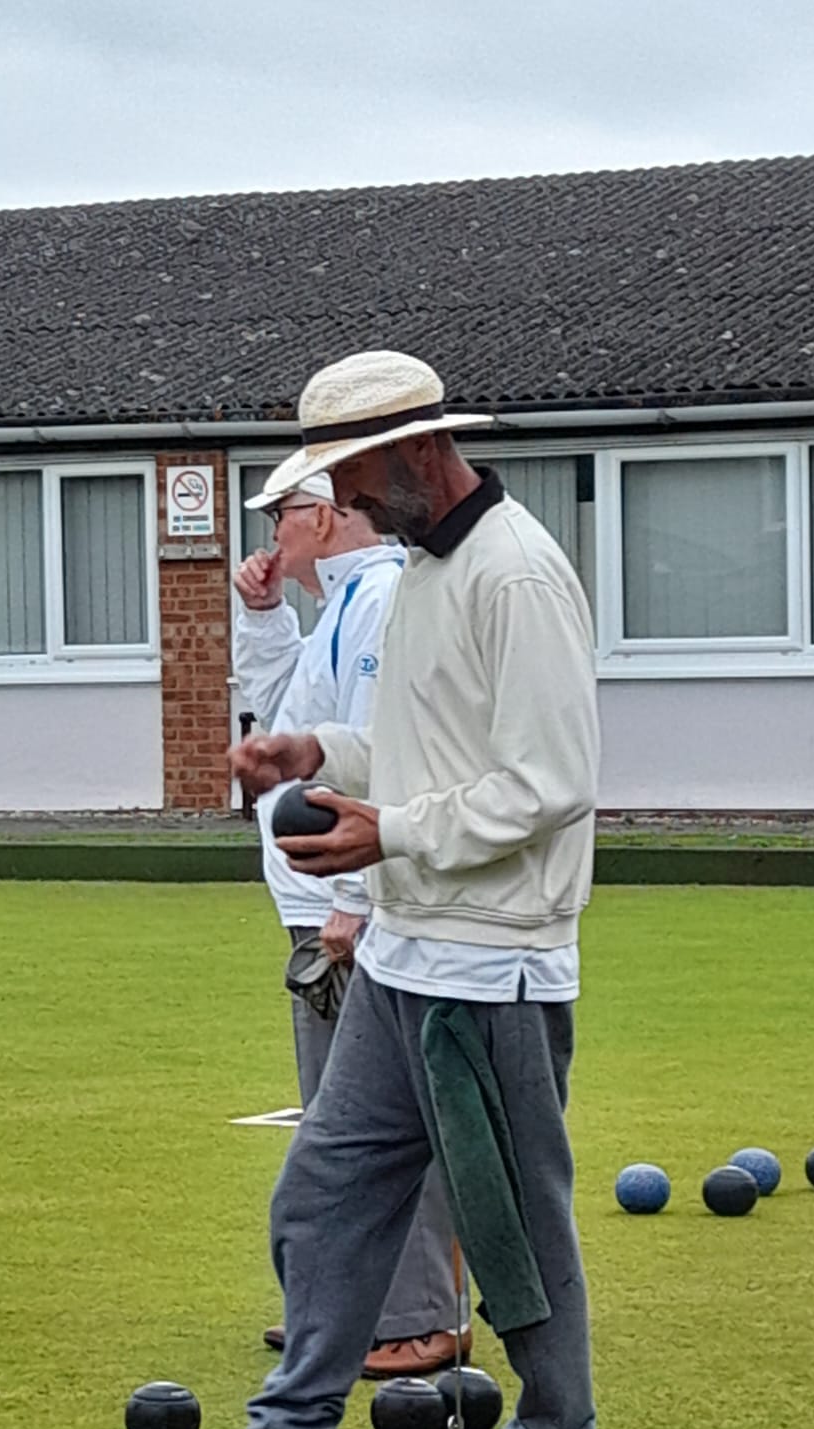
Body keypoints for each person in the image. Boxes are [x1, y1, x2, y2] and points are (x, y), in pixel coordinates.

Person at [117, 351, 601, 1429]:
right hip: (406, 955)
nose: (338, 501)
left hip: (493, 965)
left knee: (513, 1232)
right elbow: (428, 753)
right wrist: (318, 758)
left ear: (417, 450)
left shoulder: (517, 575)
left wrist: (394, 831)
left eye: (349, 471)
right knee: (322, 1194)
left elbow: (550, 784)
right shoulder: (430, 572)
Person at [235, 467, 462, 1378]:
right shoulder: (341, 602)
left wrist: (351, 902)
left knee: (370, 1122)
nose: (270, 537)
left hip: (350, 897)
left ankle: (417, 1319)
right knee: (336, 1120)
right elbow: (285, 710)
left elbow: (376, 747)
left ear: (322, 517)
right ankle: (339, 1307)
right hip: (319, 894)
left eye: (280, 517)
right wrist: (261, 618)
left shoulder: (377, 602)